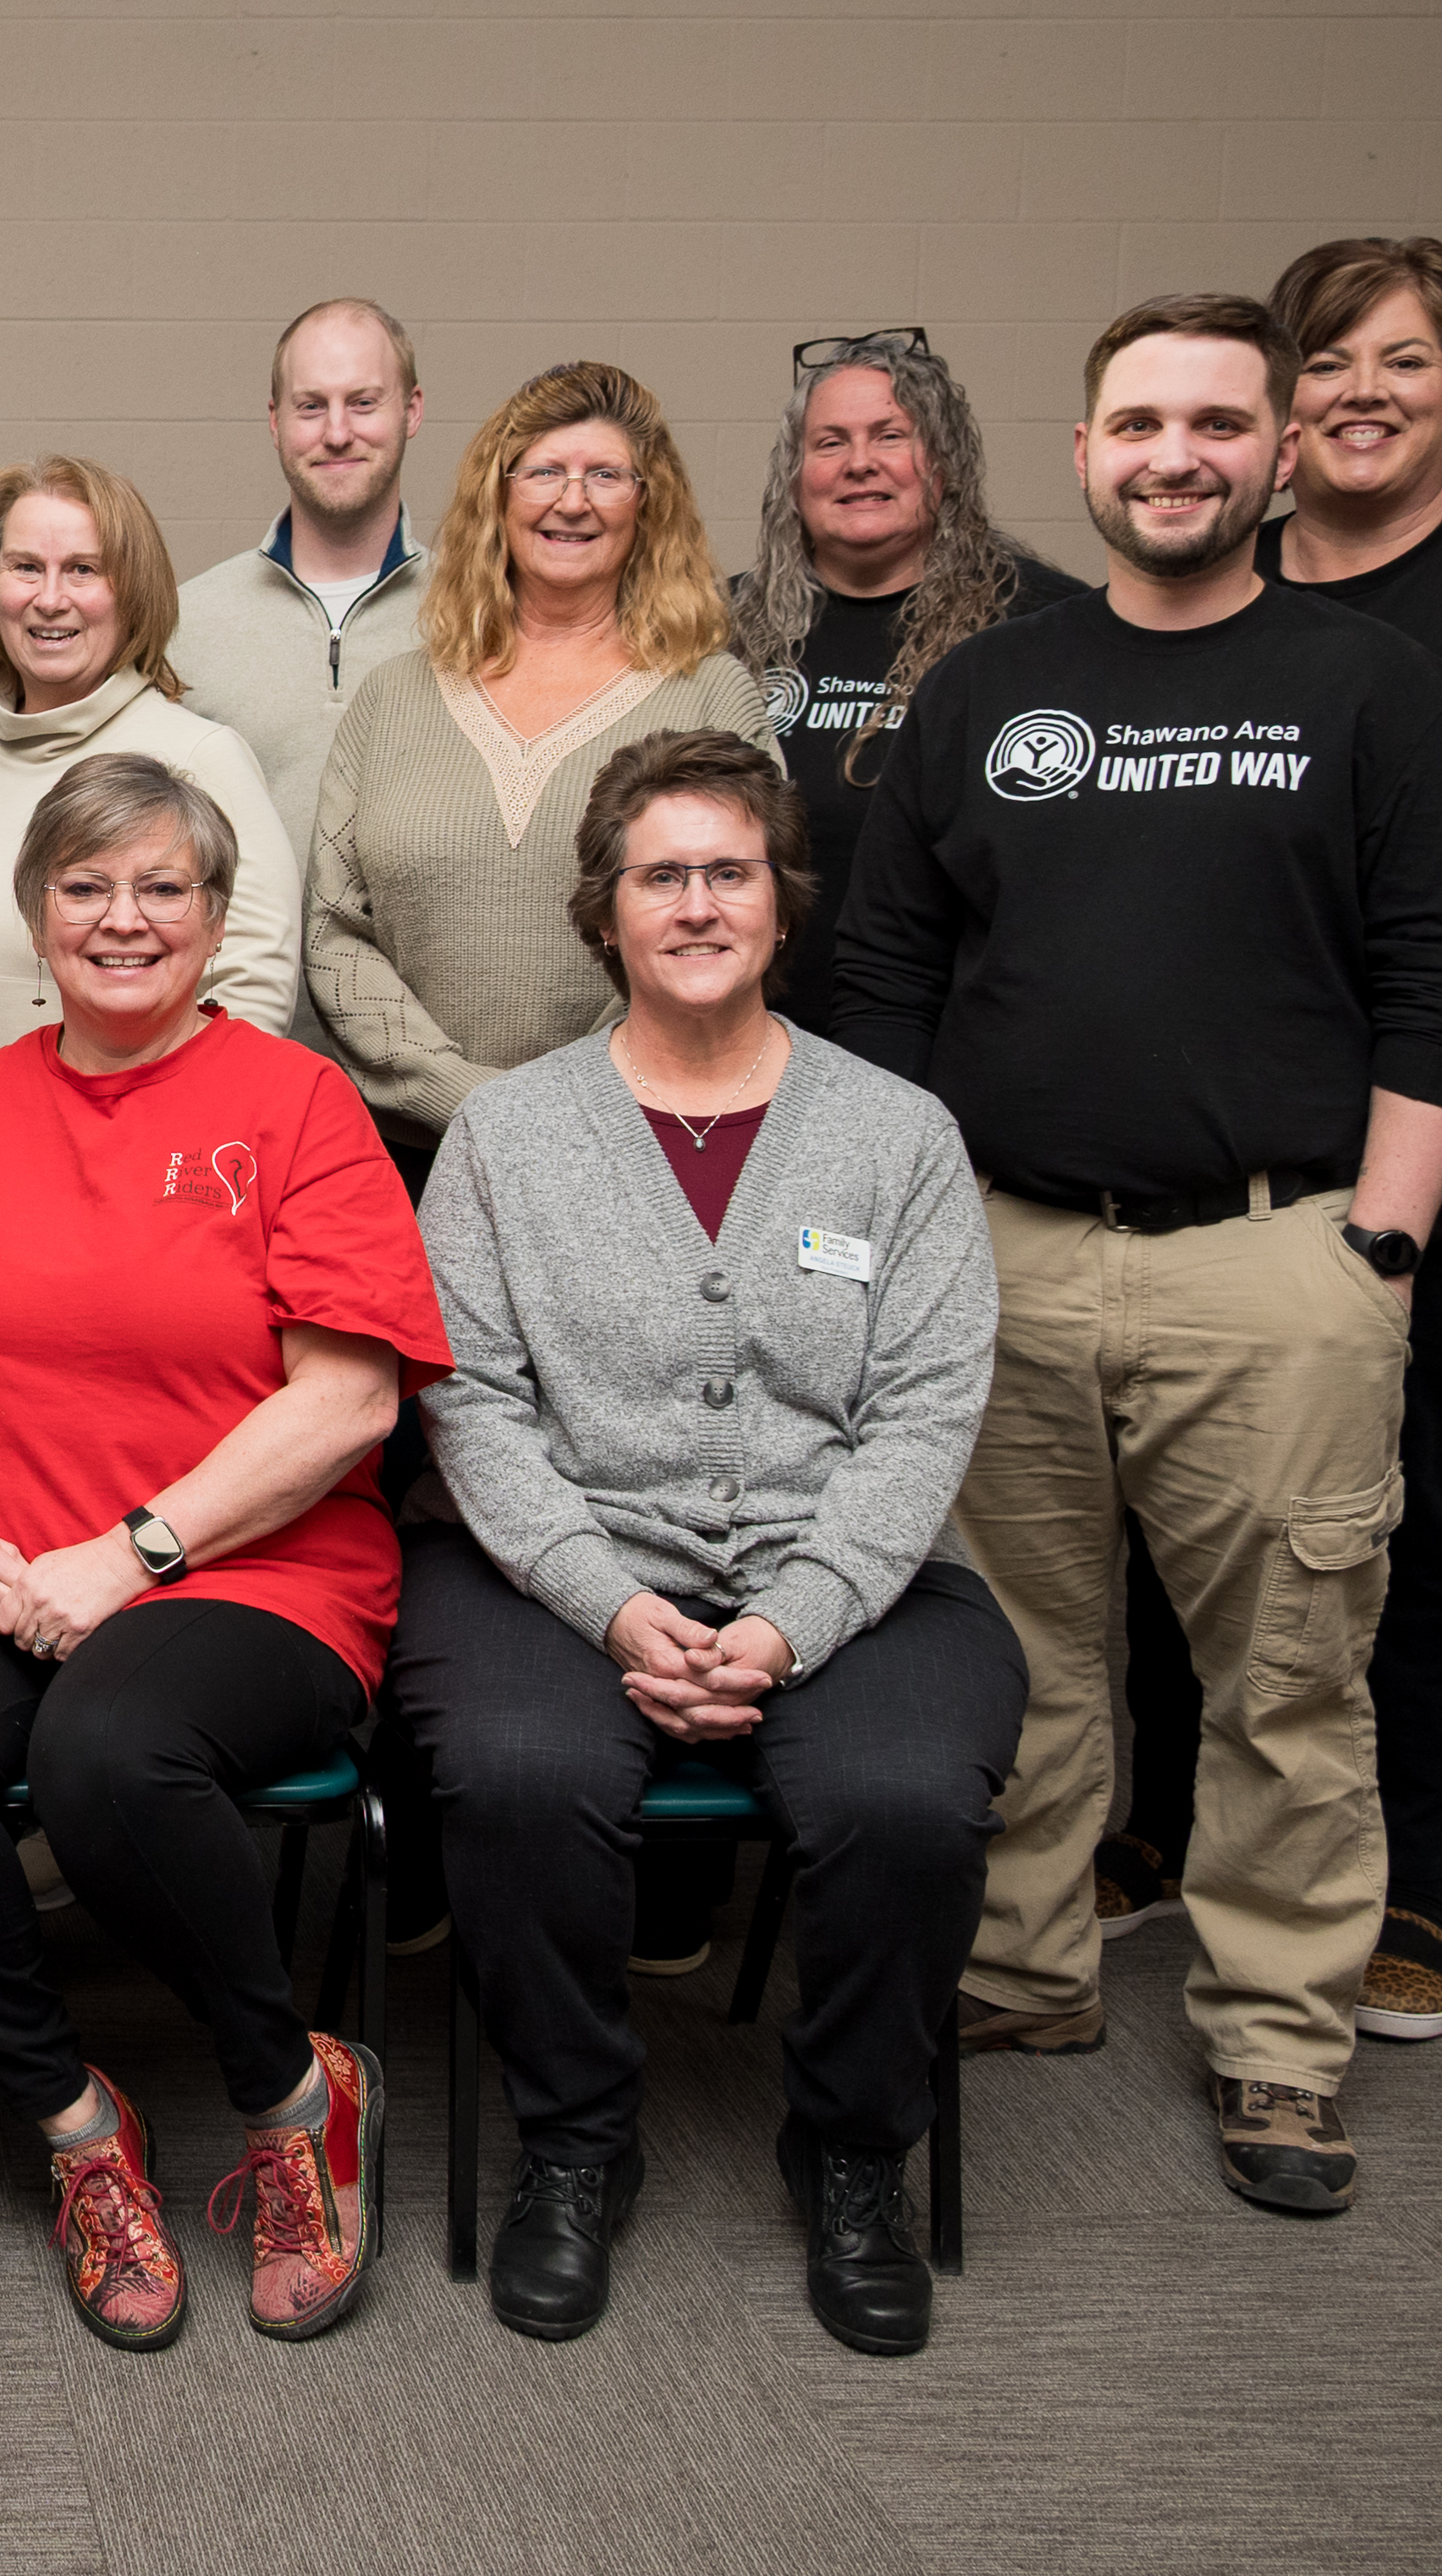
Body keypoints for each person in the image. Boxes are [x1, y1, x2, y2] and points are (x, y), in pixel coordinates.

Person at [838, 291, 1442, 2217]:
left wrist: (1377, 1244)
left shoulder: (1373, 687)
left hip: (1274, 1257)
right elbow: (884, 972)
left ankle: (1279, 2034)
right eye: (1138, 423)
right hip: (1005, 1253)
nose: (1175, 456)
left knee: (1288, 1671)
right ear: (1083, 454)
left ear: (1279, 453)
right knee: (1010, 1648)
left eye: (1218, 423)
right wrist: (900, 1235)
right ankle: (1022, 1964)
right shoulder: (988, 688)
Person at [399, 729, 1022, 2358]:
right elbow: (470, 1402)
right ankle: (573, 2141)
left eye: (728, 872)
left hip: (847, 1565)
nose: (695, 904)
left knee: (904, 1796)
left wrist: (796, 1615)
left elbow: (924, 1410)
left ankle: (853, 2148)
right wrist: (609, 1602)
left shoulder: (895, 1133)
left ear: (780, 901)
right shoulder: (506, 1135)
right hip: (555, 1559)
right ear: (602, 911)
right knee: (518, 1771)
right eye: (659, 875)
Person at [1109, 236, 1442, 2044]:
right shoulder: (1207, 581)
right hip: (1224, 1165)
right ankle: (1172, 1818)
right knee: (1192, 1511)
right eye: (1328, 362)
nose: (1360, 394)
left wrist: (1261, 1012)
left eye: (1401, 362)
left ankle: (1407, 1872)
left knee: (1418, 1525)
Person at [0, 751, 447, 2352]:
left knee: (107, 1748)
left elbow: (351, 1398)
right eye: (86, 887)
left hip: (250, 1574)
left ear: (218, 918)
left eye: (163, 887)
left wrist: (135, 1550)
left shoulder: (295, 1104)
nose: (123, 918)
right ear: (35, 916)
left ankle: (291, 2094)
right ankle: (77, 2125)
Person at [301, 359, 775, 1160]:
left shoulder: (711, 696)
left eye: (606, 476)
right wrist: (467, 1099)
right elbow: (334, 932)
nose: (572, 500)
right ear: (499, 497)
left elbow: (736, 914)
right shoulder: (392, 699)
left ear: (649, 503)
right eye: (544, 472)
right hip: (406, 1157)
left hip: (636, 1144)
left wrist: (572, 1100)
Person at [0, 452, 296, 1084]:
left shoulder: (200, 757)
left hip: (135, 1144)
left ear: (132, 590)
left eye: (83, 569)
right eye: (26, 567)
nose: (50, 599)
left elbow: (253, 993)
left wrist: (167, 1138)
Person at [724, 330, 1090, 1032]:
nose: (860, 463)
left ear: (943, 464)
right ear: (794, 476)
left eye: (890, 436)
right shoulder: (722, 625)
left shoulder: (1046, 625)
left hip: (951, 1038)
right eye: (830, 443)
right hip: (746, 1032)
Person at [175, 297, 435, 942]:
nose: (337, 432)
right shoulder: (186, 624)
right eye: (311, 406)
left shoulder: (478, 617)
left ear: (412, 410)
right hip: (237, 999)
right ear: (275, 421)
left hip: (422, 1004)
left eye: (364, 402)